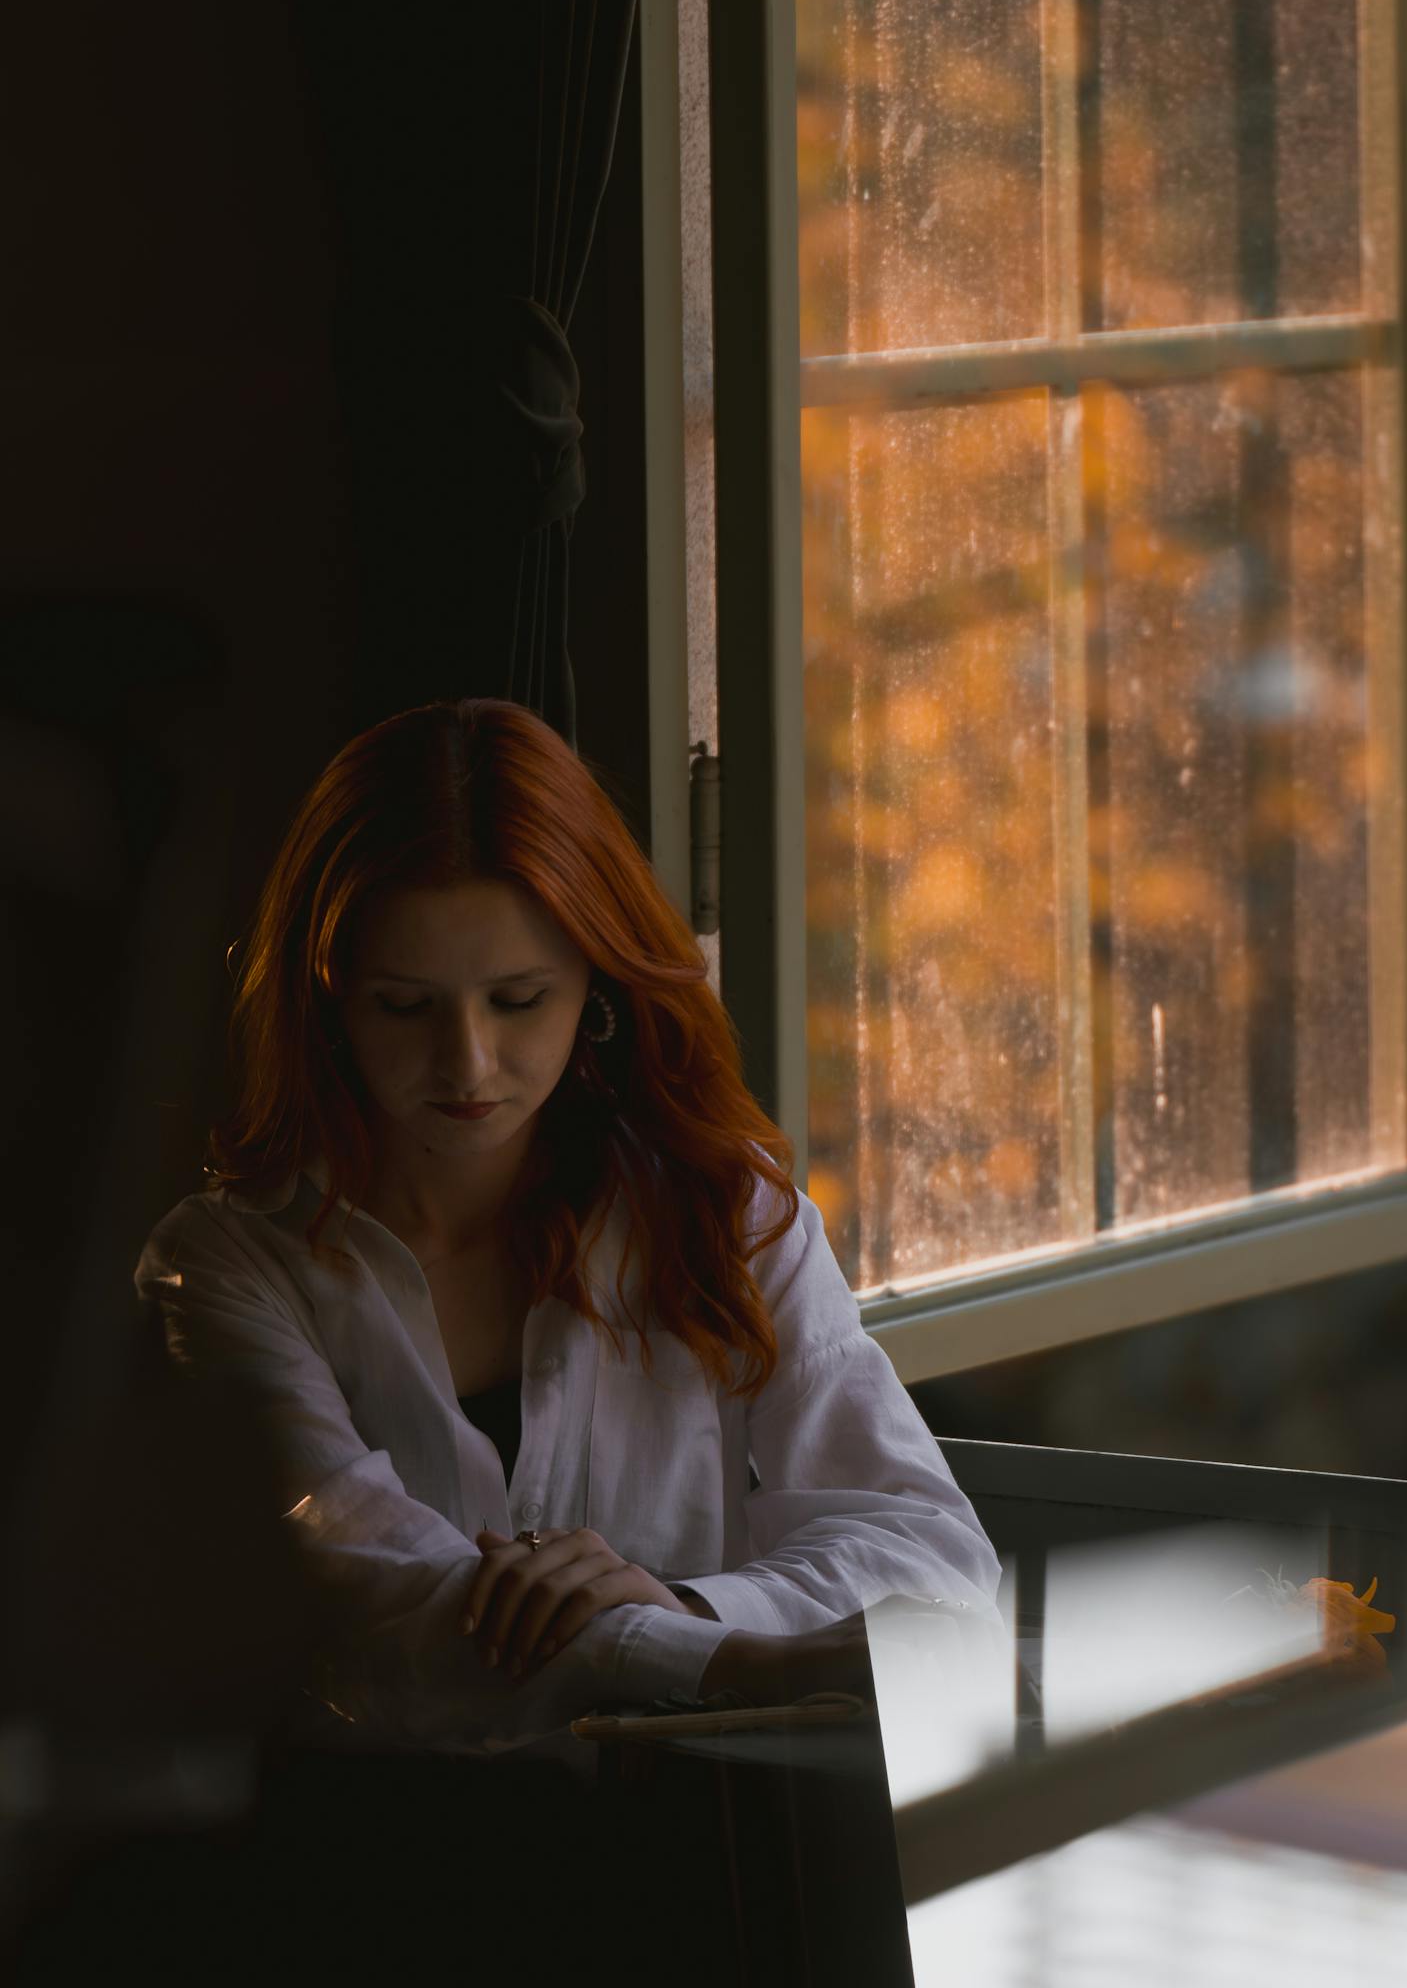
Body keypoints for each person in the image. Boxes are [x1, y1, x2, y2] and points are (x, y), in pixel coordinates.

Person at [133, 695, 1004, 1767]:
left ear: (596, 981)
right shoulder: (225, 1265)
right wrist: (722, 1658)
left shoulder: (724, 1212)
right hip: (360, 1864)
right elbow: (362, 1590)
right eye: (404, 1005)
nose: (467, 1065)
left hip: (698, 1851)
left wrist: (678, 1598)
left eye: (517, 998)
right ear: (327, 1003)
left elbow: (931, 1555)